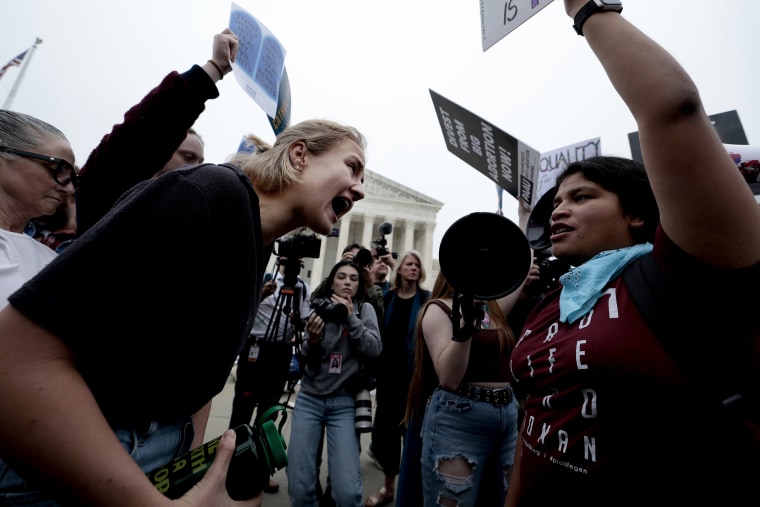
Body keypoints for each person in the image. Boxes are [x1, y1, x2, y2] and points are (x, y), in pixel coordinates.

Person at [0, 116, 368, 506]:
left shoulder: (254, 239)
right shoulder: (207, 192)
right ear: (299, 155)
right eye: (353, 166)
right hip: (76, 460)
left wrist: (192, 473)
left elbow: (199, 381)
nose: (361, 189)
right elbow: (15, 358)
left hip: (147, 457)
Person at [504, 2, 760, 506]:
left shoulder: (682, 275)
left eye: (582, 198)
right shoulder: (556, 296)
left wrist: (587, 10)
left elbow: (675, 110)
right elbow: (537, 426)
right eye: (556, 203)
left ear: (638, 214)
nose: (558, 212)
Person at [26, 29, 235, 253]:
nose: (194, 168)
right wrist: (214, 68)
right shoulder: (98, 201)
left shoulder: (165, 229)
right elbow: (141, 134)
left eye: (199, 161)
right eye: (187, 156)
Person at [401, 263, 525, 507]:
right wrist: (465, 326)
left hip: (506, 418)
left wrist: (525, 224)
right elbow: (449, 378)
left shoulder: (493, 308)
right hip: (459, 419)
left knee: (502, 498)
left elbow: (519, 266)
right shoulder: (437, 309)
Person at [286, 259, 382, 507]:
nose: (347, 282)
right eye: (341, 277)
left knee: (348, 493)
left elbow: (374, 349)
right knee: (299, 486)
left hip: (344, 402)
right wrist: (313, 340)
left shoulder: (364, 309)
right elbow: (305, 357)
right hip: (309, 399)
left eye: (353, 278)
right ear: (332, 282)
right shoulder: (319, 307)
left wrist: (351, 318)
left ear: (359, 284)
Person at [228, 255, 312, 494]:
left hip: (280, 354)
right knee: (241, 414)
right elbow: (239, 308)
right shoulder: (265, 278)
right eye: (288, 261)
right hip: (255, 351)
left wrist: (299, 321)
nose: (291, 267)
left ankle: (259, 474)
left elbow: (304, 322)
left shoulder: (301, 288)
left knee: (268, 417)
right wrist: (261, 294)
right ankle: (230, 471)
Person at [365, 250, 430, 507]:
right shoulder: (388, 297)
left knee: (414, 437)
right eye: (408, 264)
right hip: (388, 379)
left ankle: (413, 493)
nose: (413, 268)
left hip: (414, 380)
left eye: (417, 264)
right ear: (399, 269)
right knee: (388, 437)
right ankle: (389, 488)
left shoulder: (426, 299)